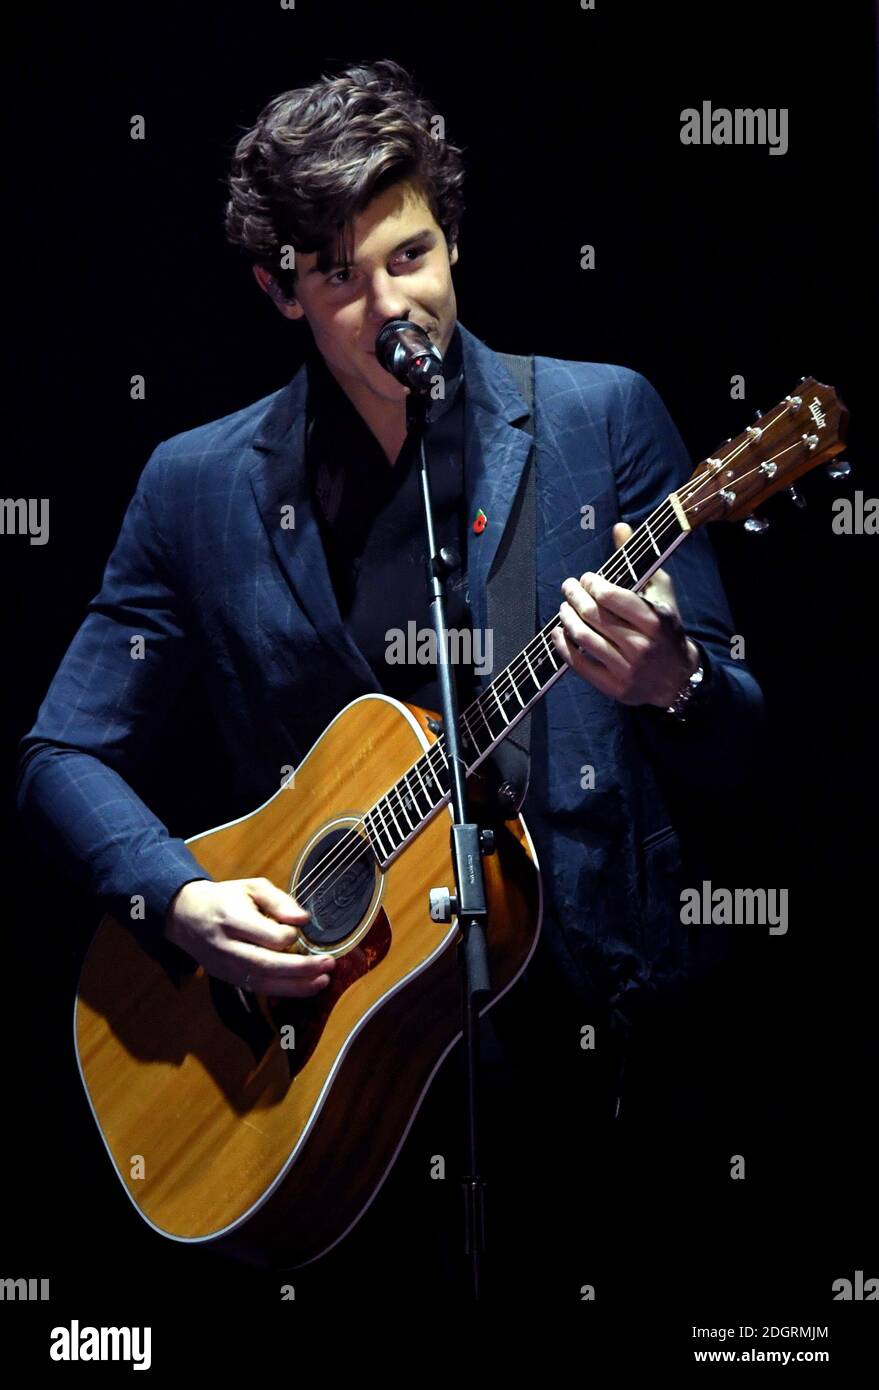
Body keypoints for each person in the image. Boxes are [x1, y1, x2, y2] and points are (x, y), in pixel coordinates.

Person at [16, 59, 765, 1296]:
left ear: (453, 237)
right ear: (281, 292)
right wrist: (183, 902)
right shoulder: (195, 486)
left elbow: (743, 746)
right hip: (317, 1083)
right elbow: (59, 755)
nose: (389, 304)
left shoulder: (599, 419)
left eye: (410, 256)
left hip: (595, 1062)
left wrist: (674, 682)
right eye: (340, 277)